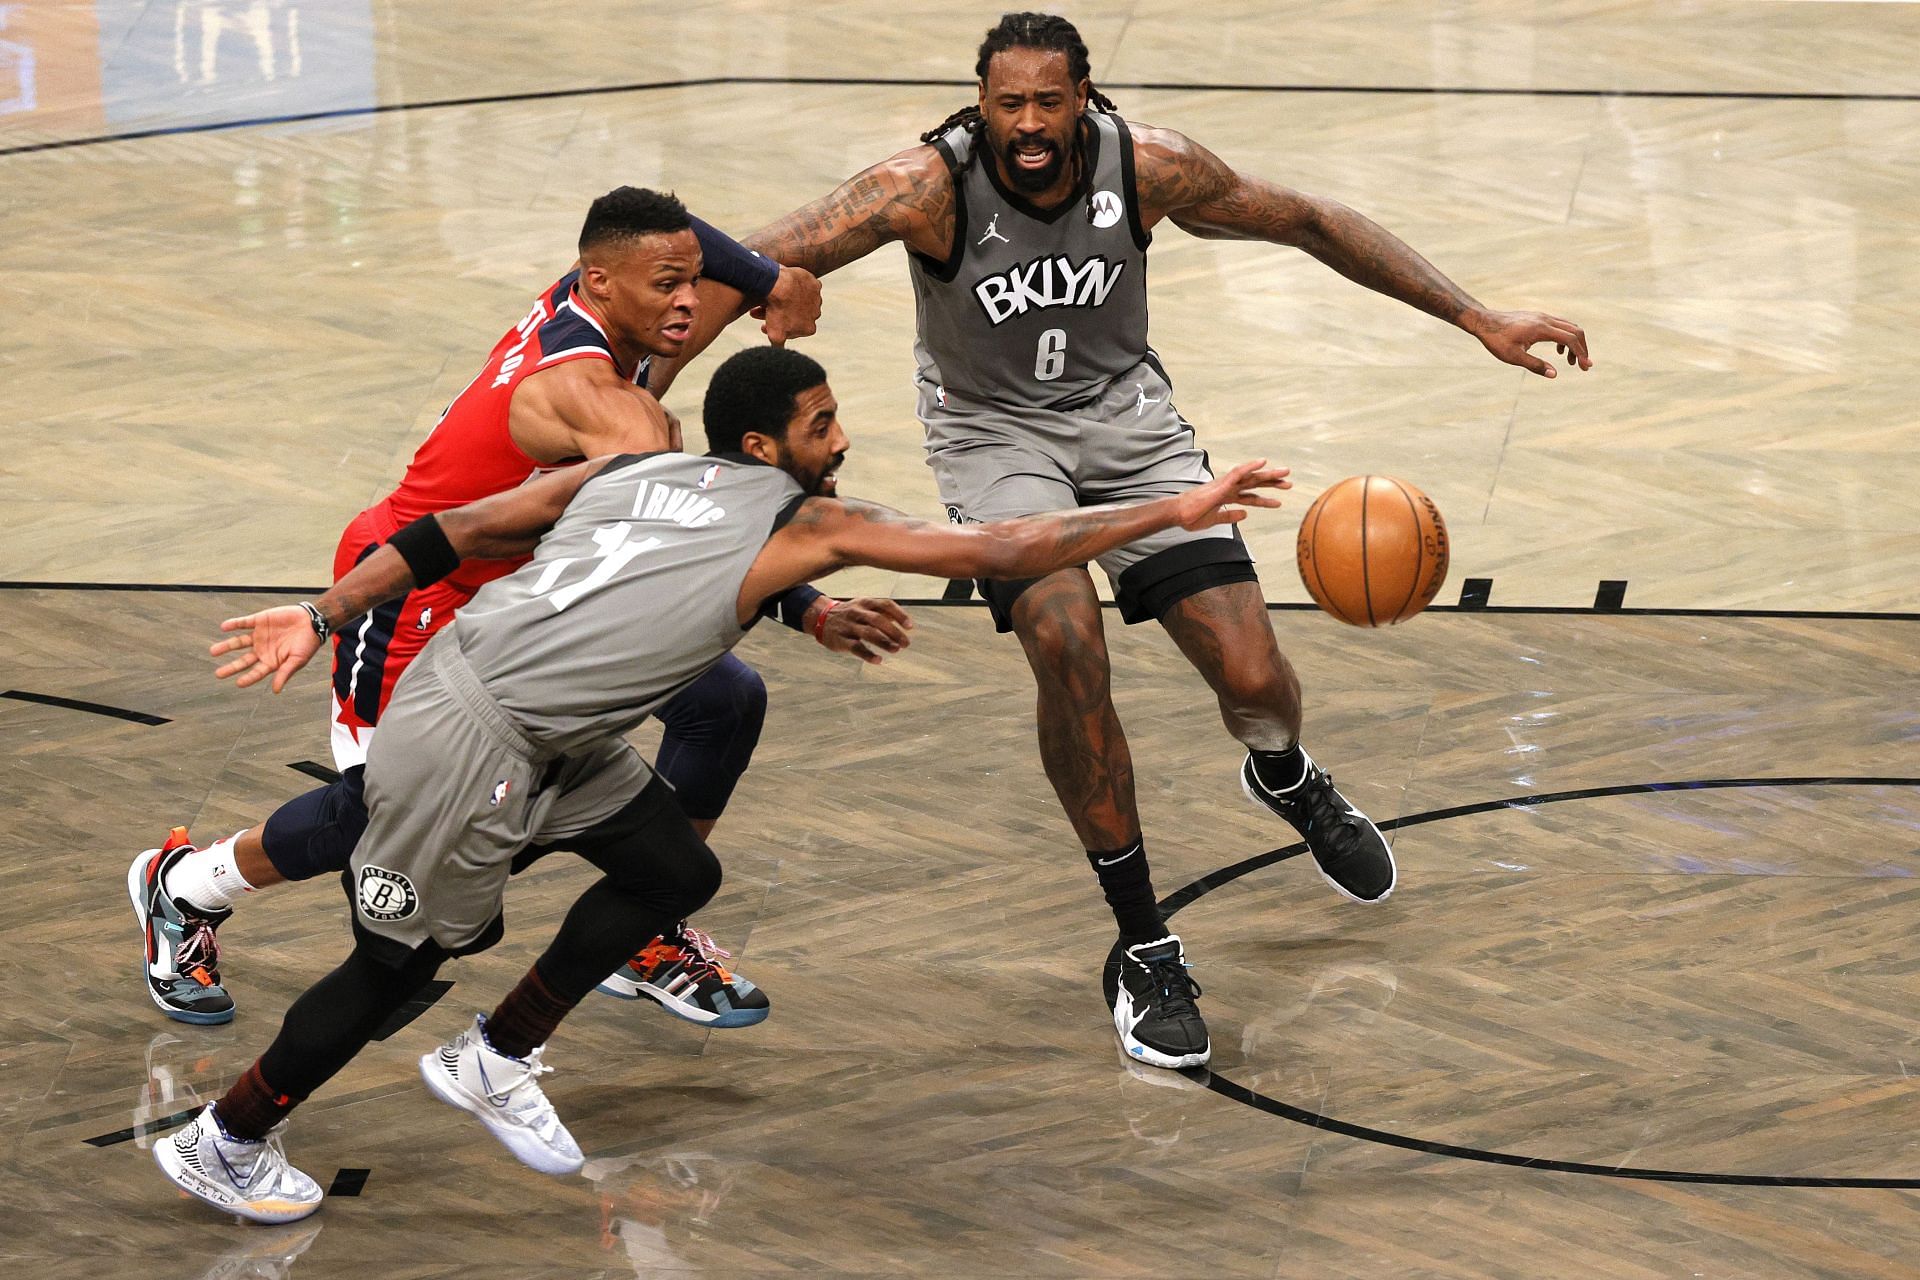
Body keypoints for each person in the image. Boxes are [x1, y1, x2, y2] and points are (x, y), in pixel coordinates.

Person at [152, 345, 1291, 1223]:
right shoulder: (810, 519)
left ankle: (493, 1053)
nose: (840, 439)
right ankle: (227, 1135)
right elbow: (1002, 548)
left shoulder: (634, 469)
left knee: (671, 865)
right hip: (475, 740)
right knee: (395, 967)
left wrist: (323, 609)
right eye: (821, 423)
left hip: (536, 719)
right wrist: (1174, 509)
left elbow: (459, 532)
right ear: (762, 445)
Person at [678, 11, 1594, 1070]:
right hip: (993, 439)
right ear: (982, 103)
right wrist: (647, 369)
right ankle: (1143, 941)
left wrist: (1476, 315)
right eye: (1008, 102)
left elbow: (1307, 218)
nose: (1028, 122)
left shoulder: (1147, 166)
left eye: (1048, 101)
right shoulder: (924, 188)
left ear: (1082, 97)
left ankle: (1284, 772)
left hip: (1127, 424)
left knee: (1253, 673)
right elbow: (736, 257)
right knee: (1065, 635)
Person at [128, 187, 915, 1031]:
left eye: (693, 281)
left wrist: (768, 275)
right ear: (604, 282)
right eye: (668, 286)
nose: (691, 302)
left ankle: (646, 924)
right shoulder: (604, 404)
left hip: (529, 600)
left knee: (724, 701)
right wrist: (802, 605)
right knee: (380, 815)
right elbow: (683, 542)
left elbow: (695, 251)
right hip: (416, 589)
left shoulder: (615, 304)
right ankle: (184, 886)